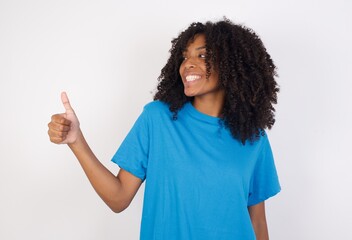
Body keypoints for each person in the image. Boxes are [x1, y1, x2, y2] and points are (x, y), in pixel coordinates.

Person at [48, 18, 280, 240]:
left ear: (232, 64)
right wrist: (76, 141)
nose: (188, 63)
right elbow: (118, 198)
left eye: (202, 55)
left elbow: (257, 221)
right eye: (184, 56)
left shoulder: (252, 137)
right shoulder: (158, 119)